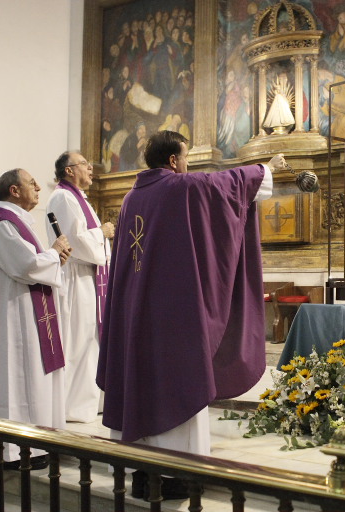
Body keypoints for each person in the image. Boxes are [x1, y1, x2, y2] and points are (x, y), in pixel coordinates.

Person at [96, 130, 287, 500]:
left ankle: (140, 472)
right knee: (175, 385)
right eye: (185, 158)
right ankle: (177, 475)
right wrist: (267, 168)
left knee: (140, 382)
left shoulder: (131, 197)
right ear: (172, 161)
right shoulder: (177, 189)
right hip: (170, 318)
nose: (187, 166)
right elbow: (225, 185)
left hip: (136, 315)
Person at [0, 168, 72, 469]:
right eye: (30, 182)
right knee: (17, 382)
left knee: (32, 380)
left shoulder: (18, 222)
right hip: (13, 320)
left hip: (29, 315)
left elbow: (33, 263)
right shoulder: (2, 225)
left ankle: (37, 442)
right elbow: (24, 265)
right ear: (14, 191)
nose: (38, 186)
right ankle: (15, 450)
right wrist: (54, 252)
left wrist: (52, 257)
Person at [46, 152, 115, 423]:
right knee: (78, 342)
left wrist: (101, 237)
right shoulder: (63, 197)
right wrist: (104, 232)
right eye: (85, 164)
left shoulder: (77, 197)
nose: (91, 168)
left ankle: (87, 402)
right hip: (76, 277)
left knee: (90, 341)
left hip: (89, 276)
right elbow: (75, 240)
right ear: (69, 170)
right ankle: (72, 407)